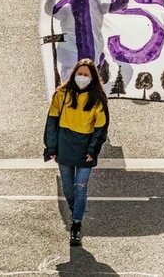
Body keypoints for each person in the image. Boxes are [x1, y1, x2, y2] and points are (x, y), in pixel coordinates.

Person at [43, 58, 109, 246]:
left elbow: (101, 128)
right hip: (65, 146)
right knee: (67, 187)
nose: (82, 77)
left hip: (84, 149)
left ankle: (76, 224)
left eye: (86, 75)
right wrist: (52, 147)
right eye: (79, 74)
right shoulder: (61, 94)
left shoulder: (97, 99)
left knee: (81, 186)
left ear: (93, 78)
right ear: (74, 74)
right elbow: (52, 122)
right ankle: (76, 210)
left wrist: (93, 150)